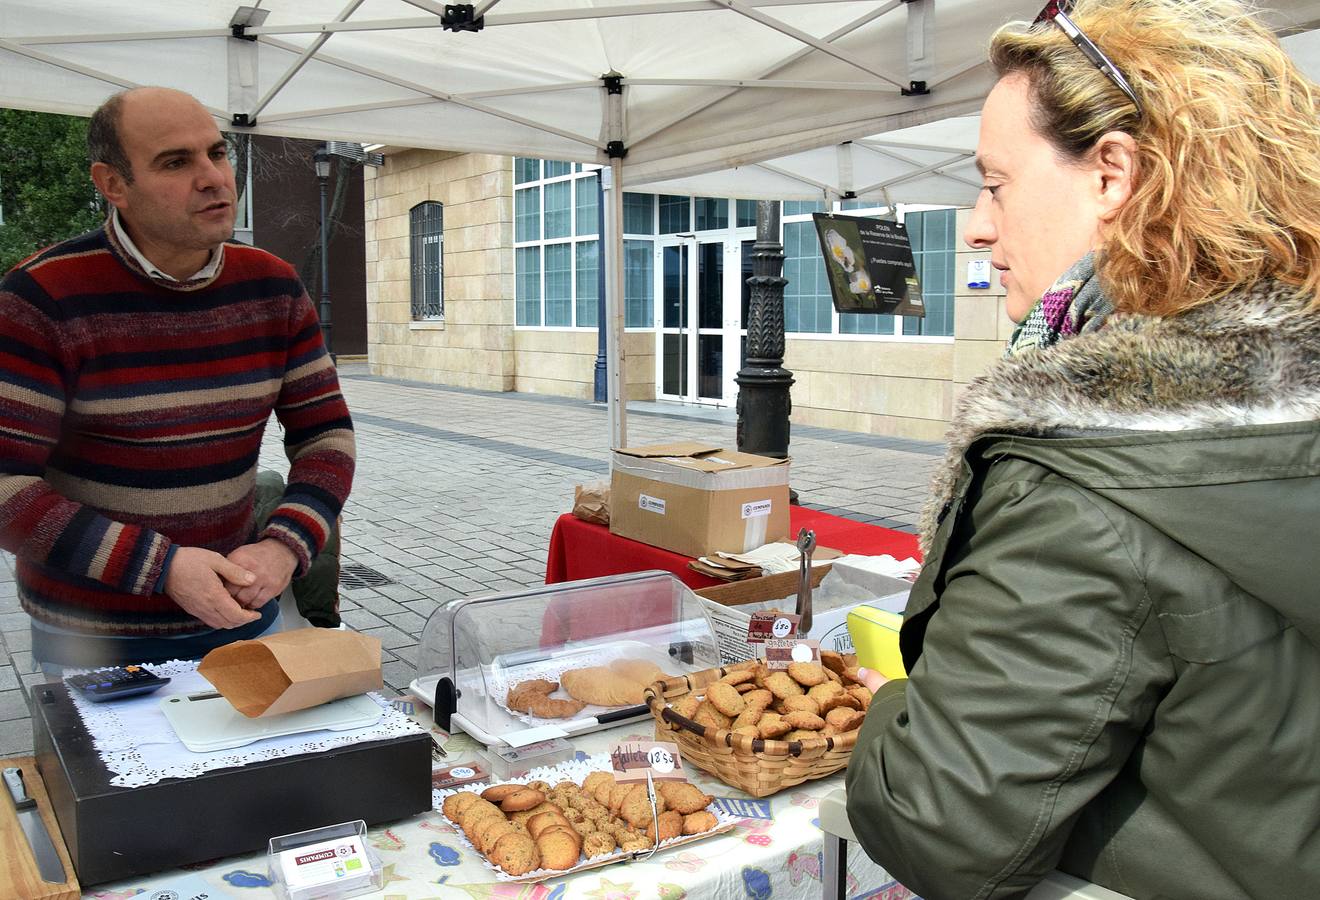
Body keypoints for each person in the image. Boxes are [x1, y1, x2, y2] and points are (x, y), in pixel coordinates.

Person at [845, 1, 1320, 897]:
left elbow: (937, 822)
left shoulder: (1086, 475)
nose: (979, 227)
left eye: (996, 183)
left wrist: (891, 708)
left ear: (1111, 174)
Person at [0, 86, 355, 671]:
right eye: (175, 162)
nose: (213, 177)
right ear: (113, 184)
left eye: (217, 153)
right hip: (94, 638)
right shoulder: (43, 298)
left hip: (244, 609)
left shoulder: (272, 286)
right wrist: (162, 567)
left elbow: (327, 437)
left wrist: (284, 546)